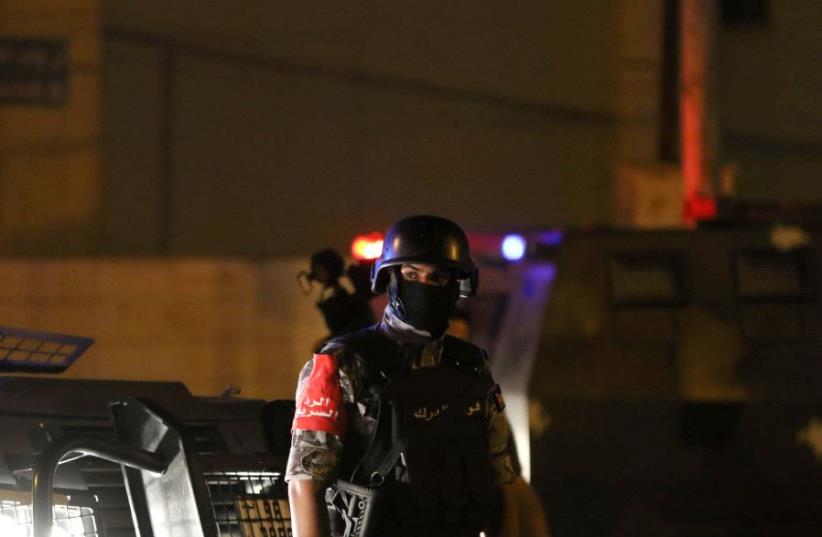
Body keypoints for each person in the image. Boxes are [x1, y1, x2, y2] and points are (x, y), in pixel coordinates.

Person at [286, 215, 515, 537]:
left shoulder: (470, 366)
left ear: (456, 285)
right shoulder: (343, 362)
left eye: (437, 278)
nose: (423, 286)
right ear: (390, 278)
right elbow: (305, 482)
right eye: (411, 274)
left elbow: (500, 480)